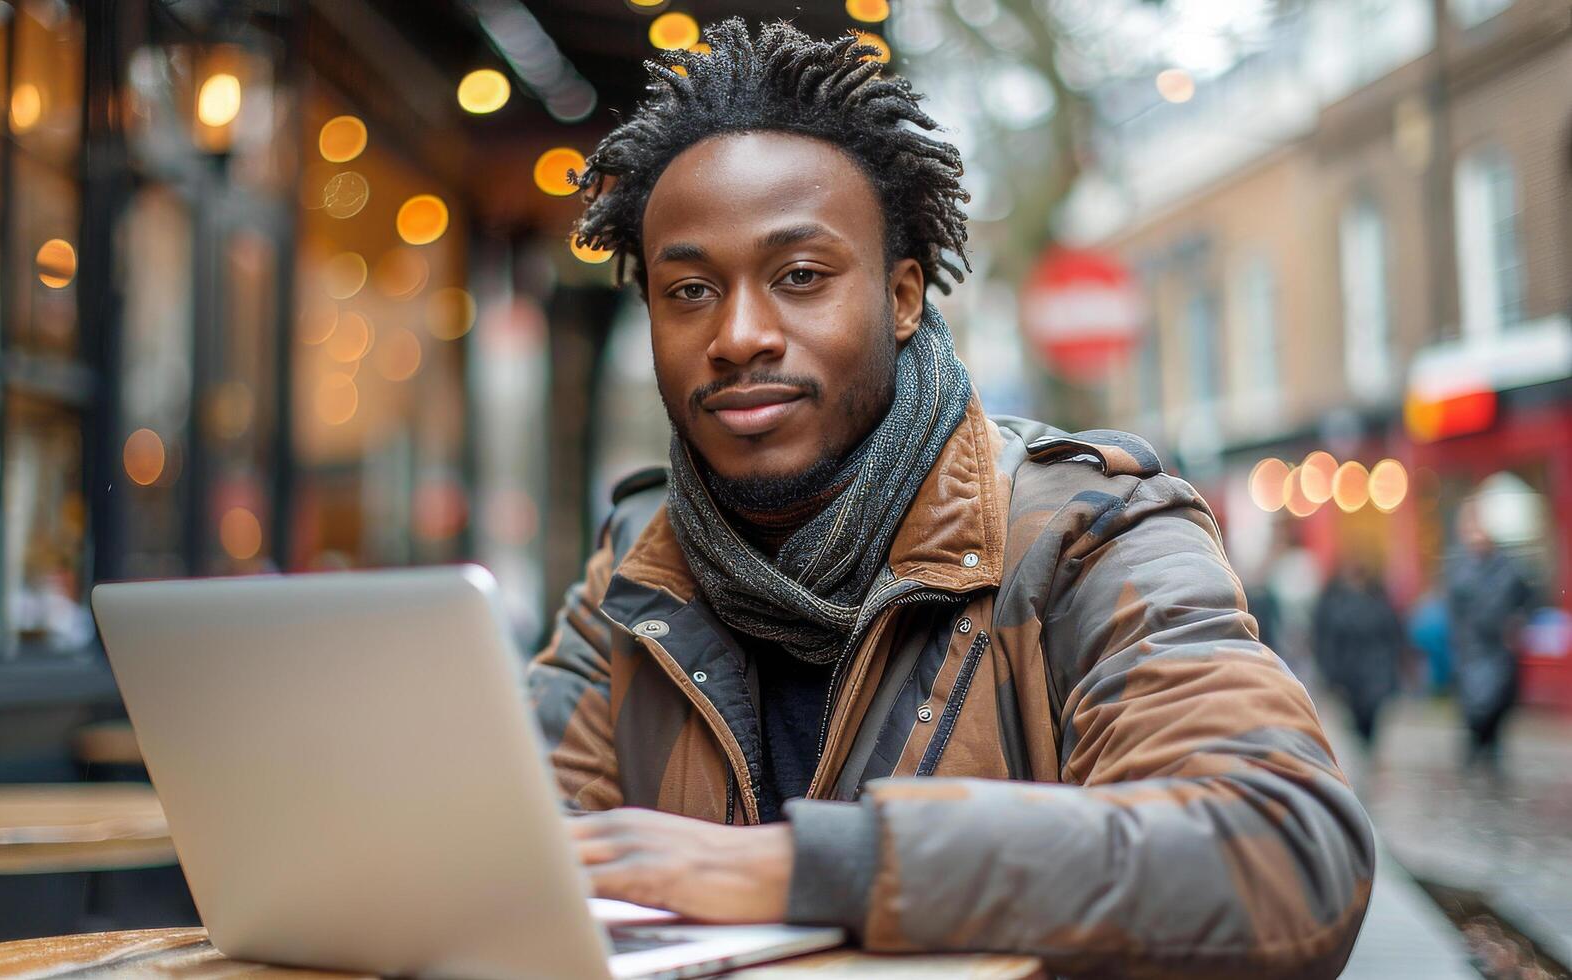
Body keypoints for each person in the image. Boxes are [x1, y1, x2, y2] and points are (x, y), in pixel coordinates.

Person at [528, 20, 1372, 978]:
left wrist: (819, 869)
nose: (739, 335)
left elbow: (1287, 854)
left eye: (799, 276)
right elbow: (501, 842)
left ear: (900, 296)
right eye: (688, 291)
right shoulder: (640, 562)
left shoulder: (1087, 532)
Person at [1445, 498, 1535, 768]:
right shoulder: (1459, 569)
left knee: (1498, 701)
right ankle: (1477, 746)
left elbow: (1528, 600)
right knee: (1474, 704)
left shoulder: (1509, 569)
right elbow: (1454, 610)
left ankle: (1489, 746)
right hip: (1471, 648)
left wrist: (1517, 623)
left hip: (1499, 648)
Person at [1312, 557, 1404, 749]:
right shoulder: (1340, 604)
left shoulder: (1368, 604)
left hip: (1367, 675)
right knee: (1361, 724)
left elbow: (1392, 639)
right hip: (1358, 676)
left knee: (1366, 723)